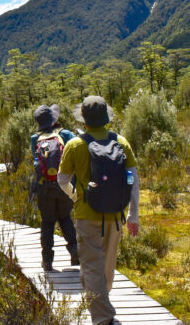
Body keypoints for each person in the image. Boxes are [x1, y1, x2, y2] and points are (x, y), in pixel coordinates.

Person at [58, 96, 140, 325]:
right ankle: (102, 306)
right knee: (106, 267)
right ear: (106, 118)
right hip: (115, 215)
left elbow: (62, 179)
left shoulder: (75, 144)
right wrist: (134, 215)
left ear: (84, 119)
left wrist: (76, 196)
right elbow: (133, 179)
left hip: (87, 215)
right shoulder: (121, 142)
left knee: (92, 269)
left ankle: (103, 317)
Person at [30, 104, 80, 272]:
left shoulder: (34, 139)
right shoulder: (65, 134)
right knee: (65, 218)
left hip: (44, 188)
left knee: (48, 222)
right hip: (65, 185)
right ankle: (75, 252)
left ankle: (47, 261)